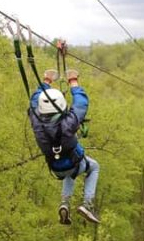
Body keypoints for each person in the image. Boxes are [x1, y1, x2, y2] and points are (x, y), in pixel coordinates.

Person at [28, 69, 100, 224]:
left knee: (69, 174)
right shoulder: (69, 123)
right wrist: (73, 81)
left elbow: (34, 100)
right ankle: (87, 204)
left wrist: (46, 81)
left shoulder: (36, 121)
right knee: (93, 167)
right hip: (75, 163)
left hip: (55, 168)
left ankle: (65, 203)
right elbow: (81, 103)